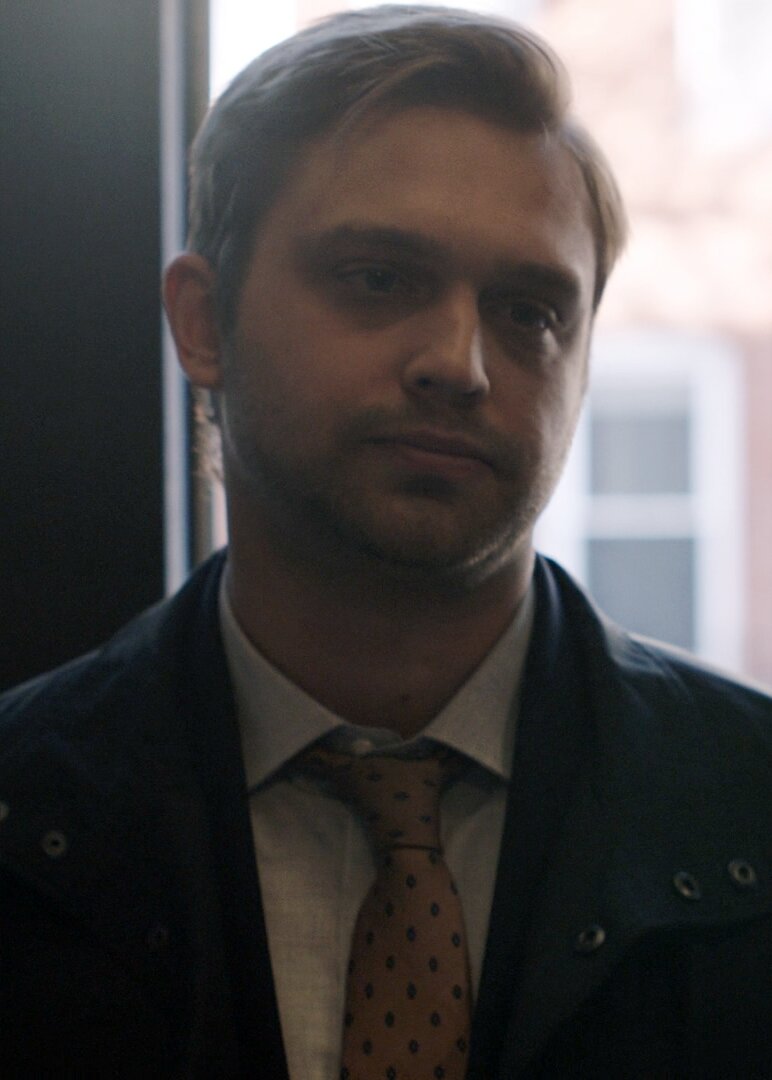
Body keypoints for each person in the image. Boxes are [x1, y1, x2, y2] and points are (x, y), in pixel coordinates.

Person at [1, 6, 770, 1078]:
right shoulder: (25, 806)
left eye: (528, 312)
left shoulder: (748, 808)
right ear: (204, 323)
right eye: (378, 278)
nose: (459, 362)